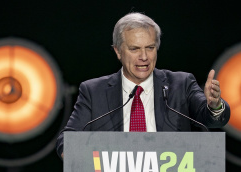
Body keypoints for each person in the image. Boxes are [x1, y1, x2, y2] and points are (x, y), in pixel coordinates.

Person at [56, 12, 230, 159]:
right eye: (134, 49)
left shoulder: (181, 85)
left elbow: (210, 119)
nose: (144, 57)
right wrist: (89, 163)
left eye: (150, 48)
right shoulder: (94, 91)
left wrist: (214, 106)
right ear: (118, 51)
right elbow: (67, 140)